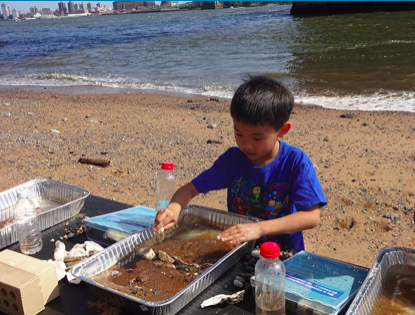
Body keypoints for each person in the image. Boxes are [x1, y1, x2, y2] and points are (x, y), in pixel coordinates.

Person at [154, 76, 327, 251]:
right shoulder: (232, 160)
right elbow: (190, 189)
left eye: (257, 138)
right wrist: (173, 209)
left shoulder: (296, 163)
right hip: (241, 249)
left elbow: (312, 217)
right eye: (239, 134)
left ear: (282, 130)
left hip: (283, 254)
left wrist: (259, 228)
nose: (246, 144)